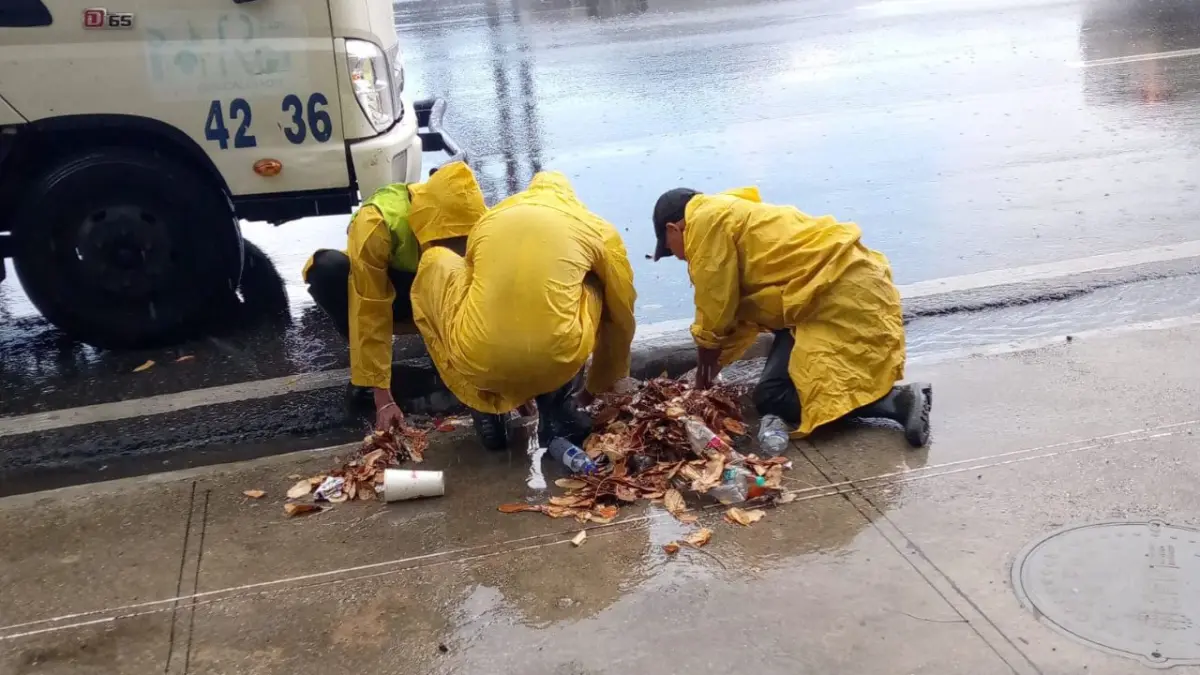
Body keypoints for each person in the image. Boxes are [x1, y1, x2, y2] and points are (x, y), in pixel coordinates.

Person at [650, 186, 932, 447]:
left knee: (776, 396)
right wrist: (707, 371)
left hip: (839, 295)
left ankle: (897, 401)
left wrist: (703, 378)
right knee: (777, 390)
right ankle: (887, 398)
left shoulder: (704, 223)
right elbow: (735, 315)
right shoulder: (726, 211)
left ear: (673, 228)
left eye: (669, 248)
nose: (678, 257)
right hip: (815, 298)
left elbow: (715, 310)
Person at [411, 171, 637, 446]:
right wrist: (598, 385)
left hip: (478, 360)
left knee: (436, 263)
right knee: (595, 282)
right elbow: (621, 314)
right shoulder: (594, 228)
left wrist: (512, 389)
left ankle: (483, 400)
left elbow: (484, 295)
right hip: (559, 357)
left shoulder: (490, 220)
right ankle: (562, 406)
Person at [302, 162, 492, 437]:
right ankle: (368, 378)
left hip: (434, 292)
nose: (459, 247)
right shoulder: (377, 223)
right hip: (389, 291)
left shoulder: (472, 215)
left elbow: (485, 295)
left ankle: (448, 357)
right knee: (327, 270)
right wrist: (383, 397)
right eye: (452, 239)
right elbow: (369, 310)